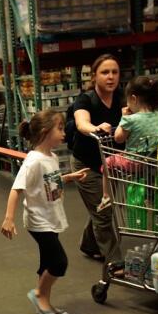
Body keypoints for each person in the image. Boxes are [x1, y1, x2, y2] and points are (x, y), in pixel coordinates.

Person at [1, 110, 89, 314]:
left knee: (47, 262)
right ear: (44, 132)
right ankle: (39, 294)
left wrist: (68, 177)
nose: (64, 133)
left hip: (52, 217)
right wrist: (8, 218)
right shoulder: (34, 161)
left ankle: (45, 304)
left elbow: (50, 181)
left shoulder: (52, 157)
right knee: (59, 263)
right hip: (38, 221)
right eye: (59, 128)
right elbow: (16, 189)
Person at [65, 54, 123, 266]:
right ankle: (116, 263)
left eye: (114, 72)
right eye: (105, 72)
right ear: (95, 76)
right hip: (86, 166)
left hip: (112, 164)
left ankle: (90, 244)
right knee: (103, 213)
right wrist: (95, 129)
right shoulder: (86, 99)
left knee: (101, 209)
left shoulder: (121, 98)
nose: (110, 77)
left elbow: (137, 114)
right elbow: (81, 122)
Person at [98, 76, 158, 210]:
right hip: (153, 160)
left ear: (133, 99)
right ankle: (148, 197)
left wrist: (124, 118)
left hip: (134, 161)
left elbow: (118, 138)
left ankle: (106, 197)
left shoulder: (131, 119)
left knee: (107, 163)